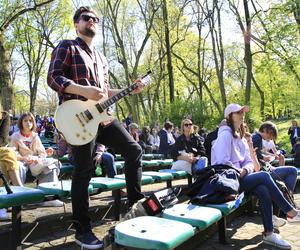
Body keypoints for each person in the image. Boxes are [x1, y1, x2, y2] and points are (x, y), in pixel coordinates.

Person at [47, 6, 145, 249]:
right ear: (76, 23)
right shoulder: (66, 46)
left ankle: (136, 206)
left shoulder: (102, 58)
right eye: (86, 18)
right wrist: (82, 90)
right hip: (78, 118)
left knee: (134, 151)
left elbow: (103, 93)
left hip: (103, 118)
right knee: (84, 170)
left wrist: (128, 89)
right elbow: (53, 77)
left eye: (95, 19)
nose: (91, 21)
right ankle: (82, 228)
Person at [211, 103, 300, 249]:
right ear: (229, 116)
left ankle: (269, 233)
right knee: (264, 176)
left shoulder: (240, 137)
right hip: (227, 182)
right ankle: (290, 212)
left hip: (241, 177)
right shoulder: (225, 136)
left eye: (242, 112)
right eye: (238, 112)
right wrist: (243, 171)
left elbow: (249, 162)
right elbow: (221, 165)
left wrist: (245, 170)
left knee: (263, 189)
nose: (242, 114)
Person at [9, 113, 62, 188]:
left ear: (33, 123)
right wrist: (23, 158)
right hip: (21, 161)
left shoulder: (35, 136)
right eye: (25, 121)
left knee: (51, 166)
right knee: (17, 166)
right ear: (21, 122)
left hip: (35, 163)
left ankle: (48, 192)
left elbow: (42, 152)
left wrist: (39, 158)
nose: (28, 123)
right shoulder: (15, 136)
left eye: (30, 121)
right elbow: (12, 152)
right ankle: (19, 192)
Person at [252, 122, 297, 195]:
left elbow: (256, 153)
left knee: (291, 170)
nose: (271, 137)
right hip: (263, 171)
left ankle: (286, 196)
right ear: (264, 129)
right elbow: (254, 155)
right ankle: (287, 196)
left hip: (266, 167)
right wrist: (265, 157)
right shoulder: (257, 138)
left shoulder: (256, 137)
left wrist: (265, 157)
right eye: (270, 134)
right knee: (293, 171)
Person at [0, 111, 23, 220]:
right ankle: (19, 192)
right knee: (8, 153)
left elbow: (2, 140)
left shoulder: (4, 116)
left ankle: (16, 193)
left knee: (7, 156)